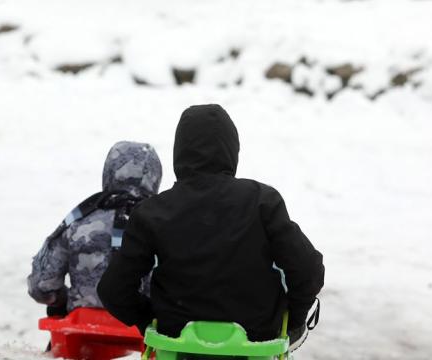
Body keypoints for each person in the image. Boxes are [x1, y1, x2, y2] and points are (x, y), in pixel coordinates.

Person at [97, 105, 324, 351]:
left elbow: (112, 289)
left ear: (180, 151)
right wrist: (295, 318)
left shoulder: (153, 211)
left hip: (176, 341)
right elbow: (308, 270)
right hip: (255, 340)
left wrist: (149, 319)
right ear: (232, 150)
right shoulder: (262, 201)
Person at [27, 141, 162, 321]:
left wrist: (62, 300)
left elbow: (41, 285)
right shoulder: (164, 224)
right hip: (141, 327)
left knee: (57, 317)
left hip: (83, 325)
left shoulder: (79, 220)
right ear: (154, 176)